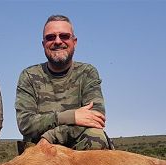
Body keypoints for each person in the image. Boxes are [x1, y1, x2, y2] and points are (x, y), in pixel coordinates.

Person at [15, 15, 113, 152]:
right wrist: (72, 117)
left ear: (75, 41)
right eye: (50, 37)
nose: (57, 41)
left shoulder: (87, 72)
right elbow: (26, 124)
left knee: (96, 137)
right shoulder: (29, 76)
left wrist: (51, 136)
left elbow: (95, 118)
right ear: (43, 44)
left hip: (75, 149)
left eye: (64, 36)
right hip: (40, 152)